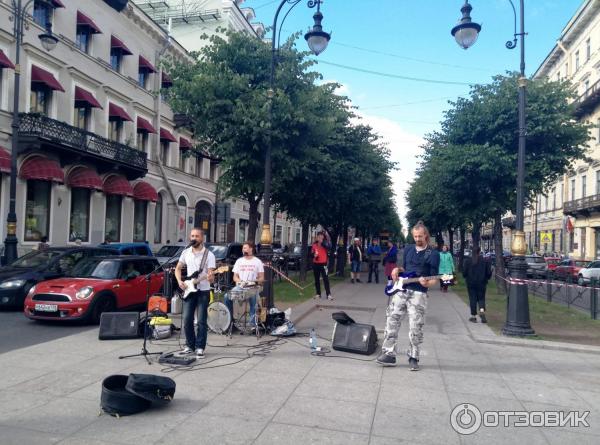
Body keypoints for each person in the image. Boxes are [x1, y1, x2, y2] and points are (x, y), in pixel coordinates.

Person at [376, 222, 440, 371]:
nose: (417, 239)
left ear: (426, 235)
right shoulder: (409, 249)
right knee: (392, 319)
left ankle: (413, 357)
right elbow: (406, 268)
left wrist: (427, 283)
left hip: (419, 293)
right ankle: (389, 354)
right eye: (415, 236)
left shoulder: (433, 254)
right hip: (402, 290)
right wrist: (397, 270)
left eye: (420, 236)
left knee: (415, 326)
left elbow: (435, 278)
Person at [175, 228, 216, 358]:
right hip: (189, 289)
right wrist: (180, 281)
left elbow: (211, 276)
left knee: (201, 321)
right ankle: (189, 345)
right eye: (192, 235)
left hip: (203, 291)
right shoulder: (186, 252)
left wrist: (211, 277)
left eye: (197, 236)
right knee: (187, 319)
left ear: (202, 238)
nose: (194, 238)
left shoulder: (209, 255)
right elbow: (177, 268)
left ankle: (200, 347)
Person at [225, 241, 264, 327]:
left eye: (245, 248)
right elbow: (235, 277)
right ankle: (229, 320)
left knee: (253, 298)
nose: (243, 250)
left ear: (251, 249)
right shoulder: (239, 261)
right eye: (243, 248)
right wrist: (240, 282)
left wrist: (255, 281)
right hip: (241, 287)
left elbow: (262, 278)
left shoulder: (257, 261)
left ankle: (252, 324)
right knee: (226, 297)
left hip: (253, 287)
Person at [462, 247, 491, 323]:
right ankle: (482, 312)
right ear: (479, 252)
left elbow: (464, 273)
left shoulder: (468, 261)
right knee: (481, 299)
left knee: (472, 299)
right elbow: (488, 273)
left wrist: (466, 276)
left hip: (471, 283)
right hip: (482, 283)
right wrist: (487, 277)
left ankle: (473, 316)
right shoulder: (485, 261)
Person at [311, 231, 333, 300]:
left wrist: (323, 243)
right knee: (316, 279)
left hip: (324, 264)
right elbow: (311, 254)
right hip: (316, 264)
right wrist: (313, 255)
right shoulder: (314, 245)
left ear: (323, 238)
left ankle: (328, 294)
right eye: (319, 237)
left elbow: (329, 247)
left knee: (325, 279)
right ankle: (318, 294)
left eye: (321, 237)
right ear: (317, 237)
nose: (320, 238)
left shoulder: (325, 244)